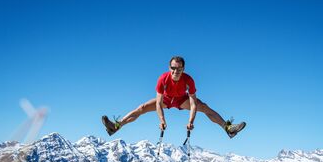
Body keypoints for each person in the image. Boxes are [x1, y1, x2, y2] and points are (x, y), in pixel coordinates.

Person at [102, 56, 246, 138]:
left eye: (179, 68)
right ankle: (116, 126)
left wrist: (191, 121)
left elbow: (194, 104)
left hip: (181, 100)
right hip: (165, 100)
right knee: (142, 108)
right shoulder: (162, 79)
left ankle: (228, 128)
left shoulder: (189, 80)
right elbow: (158, 103)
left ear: (183, 69)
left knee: (205, 107)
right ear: (169, 67)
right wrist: (162, 120)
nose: (176, 71)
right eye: (173, 68)